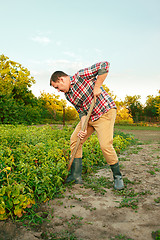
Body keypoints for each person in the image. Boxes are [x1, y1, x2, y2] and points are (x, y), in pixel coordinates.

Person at [50, 61, 124, 190]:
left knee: (105, 145)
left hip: (104, 112)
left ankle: (117, 176)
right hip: (89, 117)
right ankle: (76, 176)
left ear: (61, 79)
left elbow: (104, 65)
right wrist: (83, 128)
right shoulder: (68, 95)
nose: (58, 91)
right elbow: (82, 112)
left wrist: (97, 86)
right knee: (75, 140)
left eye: (57, 87)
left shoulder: (80, 76)